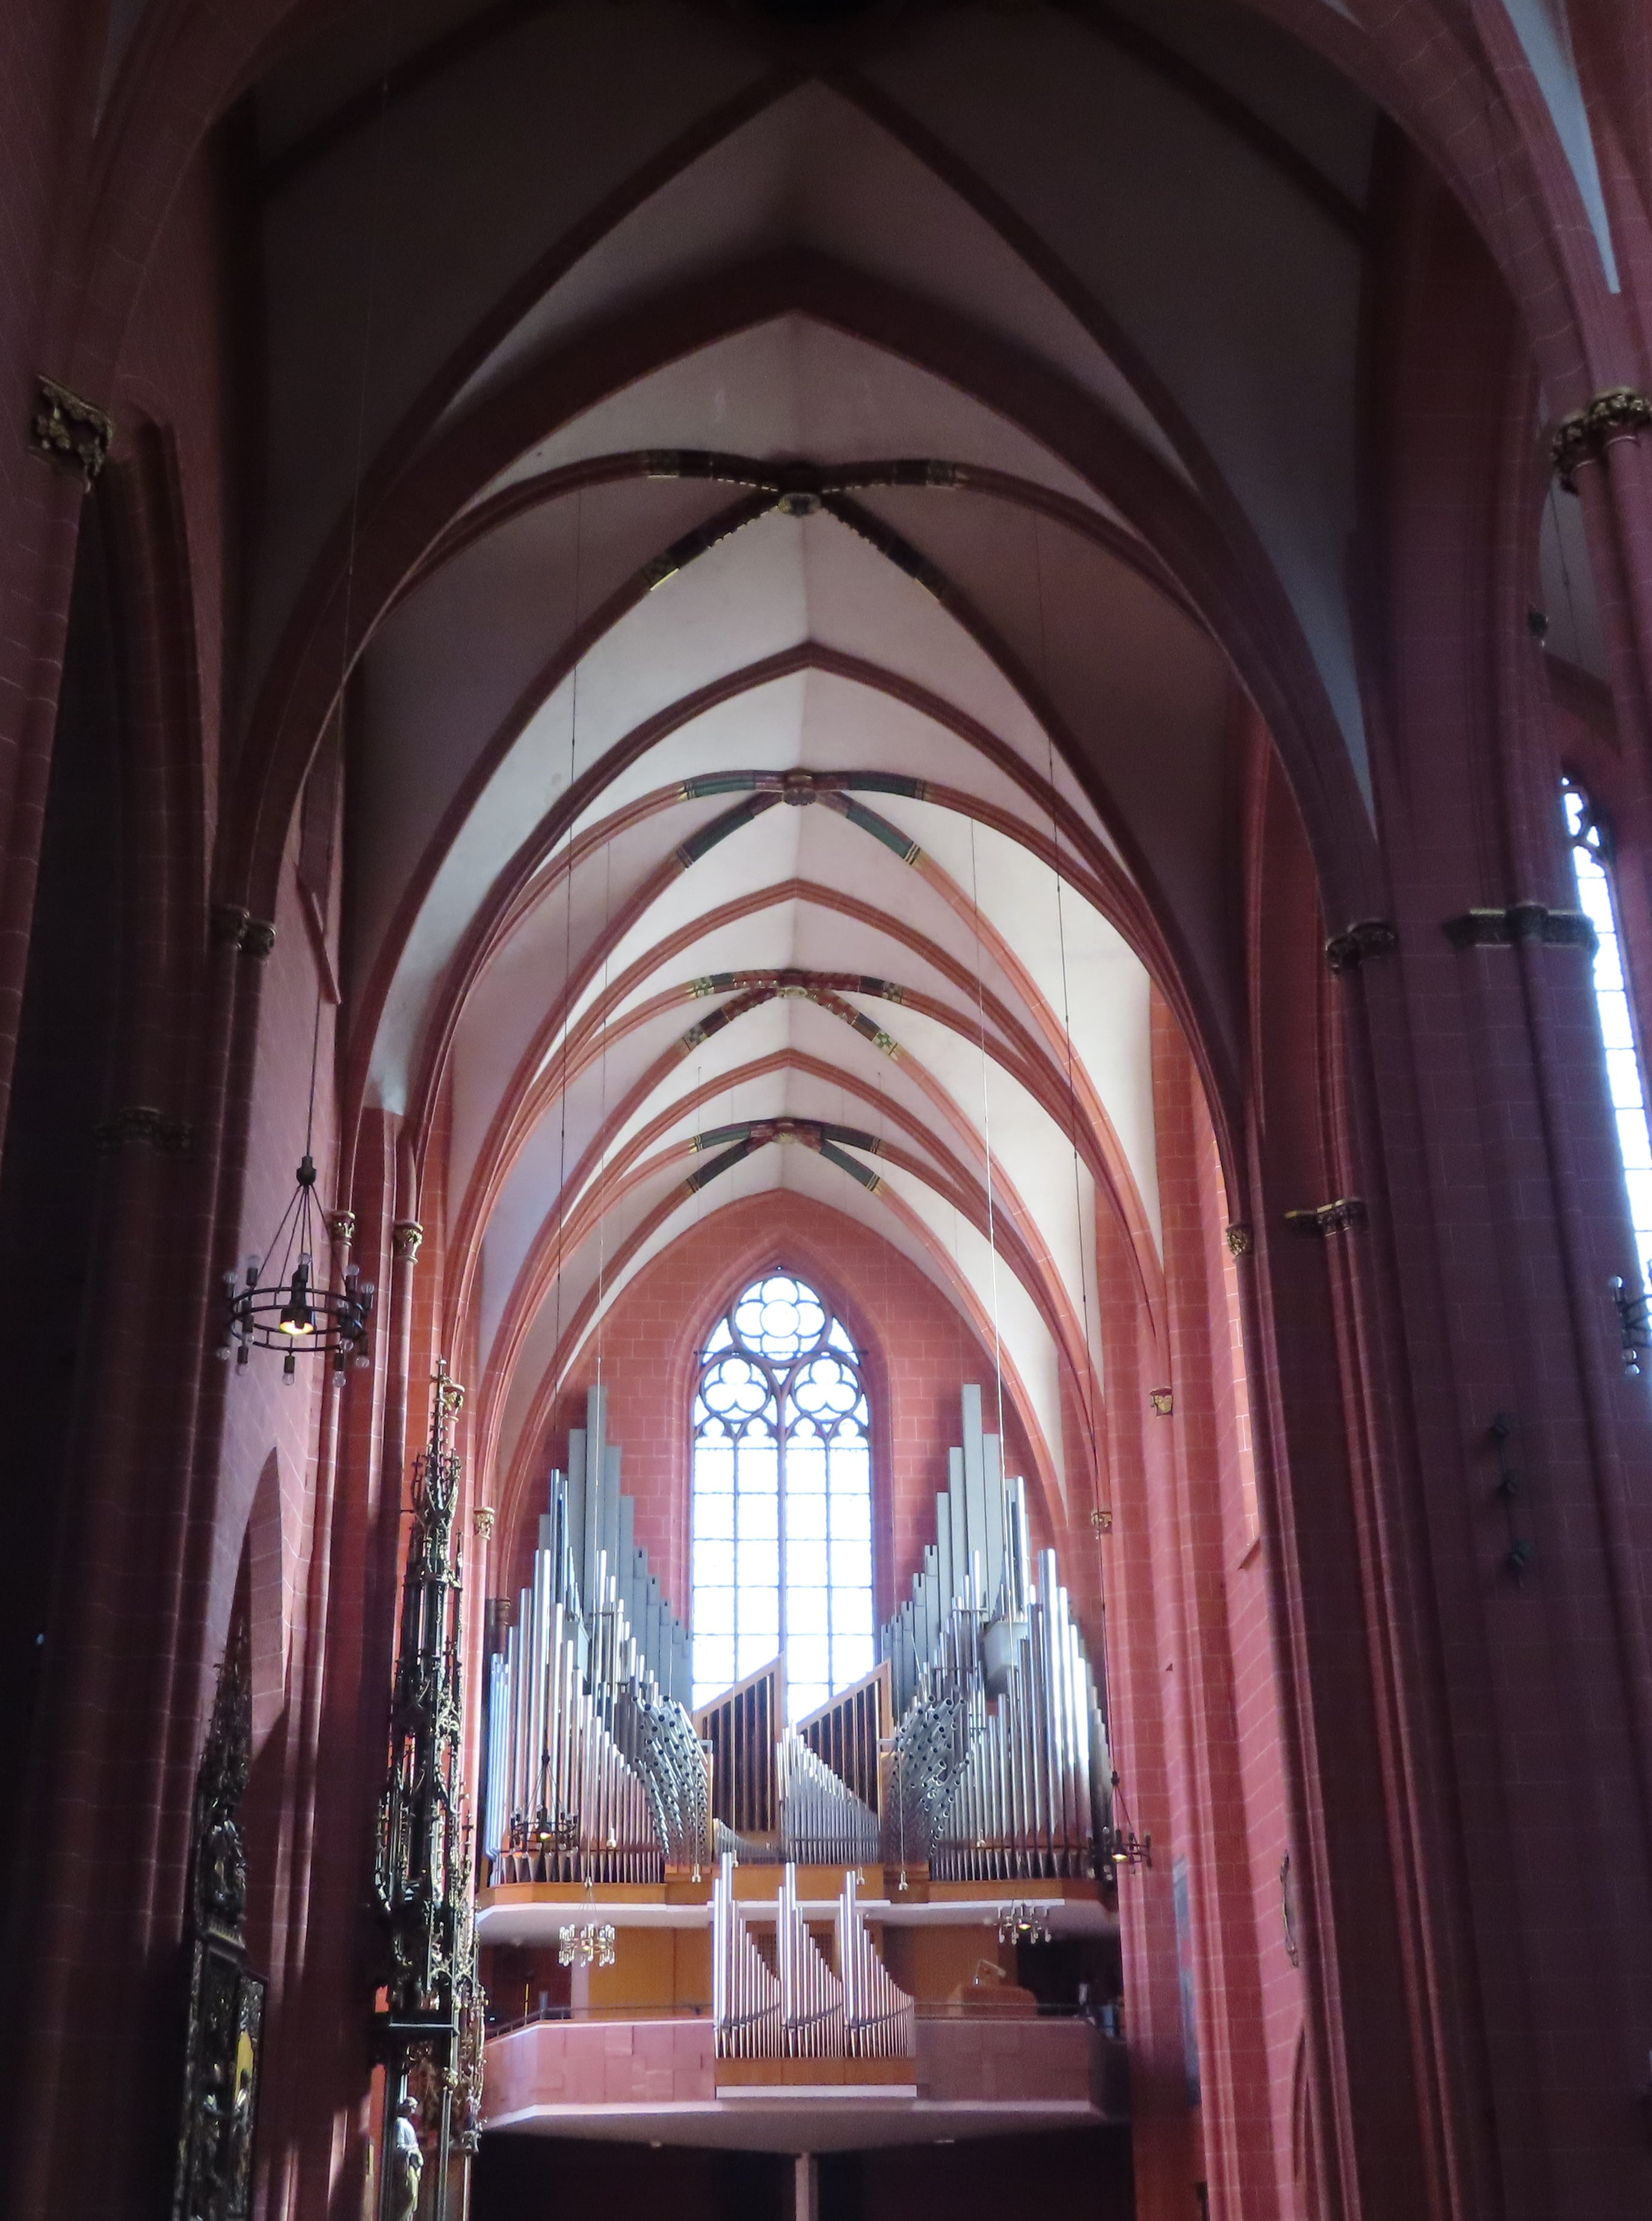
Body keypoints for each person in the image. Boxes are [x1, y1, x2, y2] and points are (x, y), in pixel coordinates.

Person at [390, 2099, 423, 2221]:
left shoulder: (407, 2124)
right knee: (409, 2196)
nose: (413, 2111)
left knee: (413, 2200)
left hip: (413, 2165)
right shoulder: (400, 2123)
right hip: (406, 2165)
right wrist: (412, 2149)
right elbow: (399, 2146)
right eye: (412, 2108)